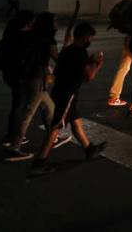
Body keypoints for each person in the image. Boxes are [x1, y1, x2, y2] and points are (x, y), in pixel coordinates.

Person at [31, 23, 106, 173]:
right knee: (55, 128)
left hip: (60, 91)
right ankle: (39, 163)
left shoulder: (67, 50)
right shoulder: (80, 53)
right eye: (90, 37)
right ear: (85, 37)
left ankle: (89, 149)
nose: (91, 40)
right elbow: (89, 76)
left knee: (76, 121)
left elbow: (59, 70)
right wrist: (97, 64)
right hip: (67, 95)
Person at [5, 12, 74, 161]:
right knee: (28, 112)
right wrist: (68, 45)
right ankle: (15, 146)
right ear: (49, 25)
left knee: (49, 108)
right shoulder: (49, 40)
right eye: (55, 22)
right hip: (37, 78)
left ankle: (53, 135)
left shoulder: (31, 35)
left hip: (26, 76)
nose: (57, 25)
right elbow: (60, 60)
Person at [0, 10, 33, 149]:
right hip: (20, 76)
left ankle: (12, 135)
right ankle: (14, 137)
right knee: (20, 106)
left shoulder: (10, 32)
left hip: (9, 74)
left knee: (17, 105)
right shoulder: (25, 37)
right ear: (28, 23)